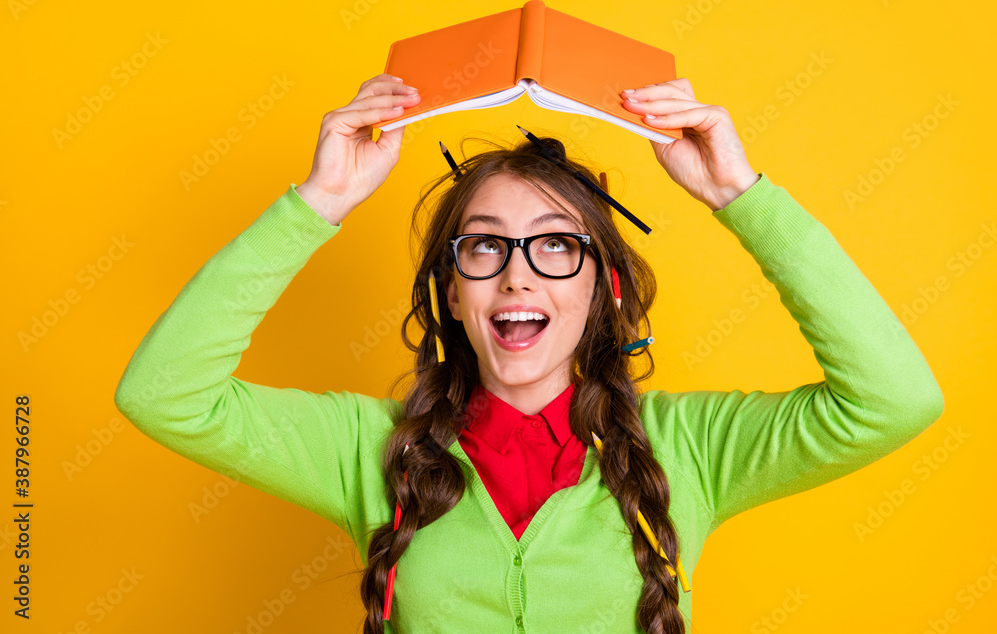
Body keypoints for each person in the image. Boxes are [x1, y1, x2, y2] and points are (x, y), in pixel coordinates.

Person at [115, 72, 945, 634]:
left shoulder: (689, 451)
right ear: (451, 290)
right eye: (484, 247)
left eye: (556, 246)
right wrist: (318, 202)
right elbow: (164, 392)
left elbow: (892, 397)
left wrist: (741, 195)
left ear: (604, 288)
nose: (517, 275)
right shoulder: (370, 452)